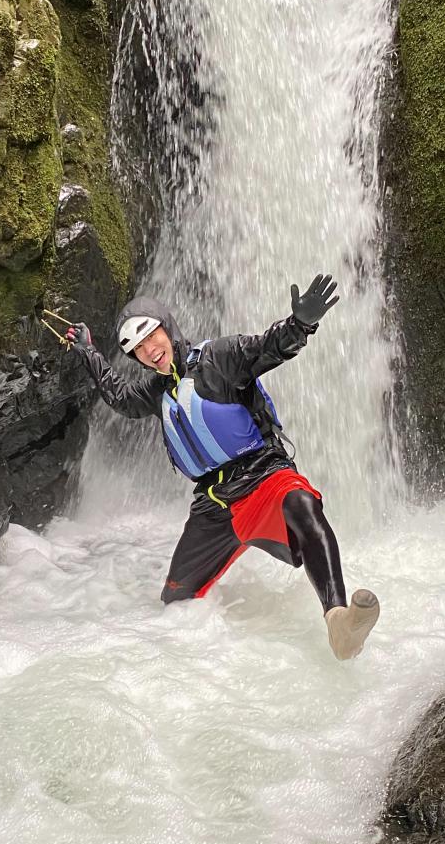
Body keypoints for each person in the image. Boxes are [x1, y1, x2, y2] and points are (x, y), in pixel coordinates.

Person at [65, 275, 379, 660]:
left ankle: (338, 620)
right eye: (137, 348)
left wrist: (300, 325)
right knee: (176, 601)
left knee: (301, 502)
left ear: (168, 327)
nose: (149, 350)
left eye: (151, 336)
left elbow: (268, 348)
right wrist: (87, 352)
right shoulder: (154, 392)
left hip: (262, 474)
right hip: (212, 505)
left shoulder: (219, 359)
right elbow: (118, 396)